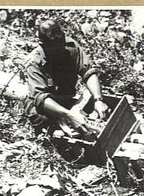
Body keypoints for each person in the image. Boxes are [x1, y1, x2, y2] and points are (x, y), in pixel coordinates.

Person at [24, 19, 109, 162]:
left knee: (92, 110)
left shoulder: (70, 46)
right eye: (54, 43)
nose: (59, 46)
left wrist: (98, 100)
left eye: (61, 39)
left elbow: (88, 72)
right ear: (43, 43)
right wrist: (69, 116)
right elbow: (40, 98)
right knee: (51, 129)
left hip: (67, 99)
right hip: (45, 107)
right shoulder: (35, 62)